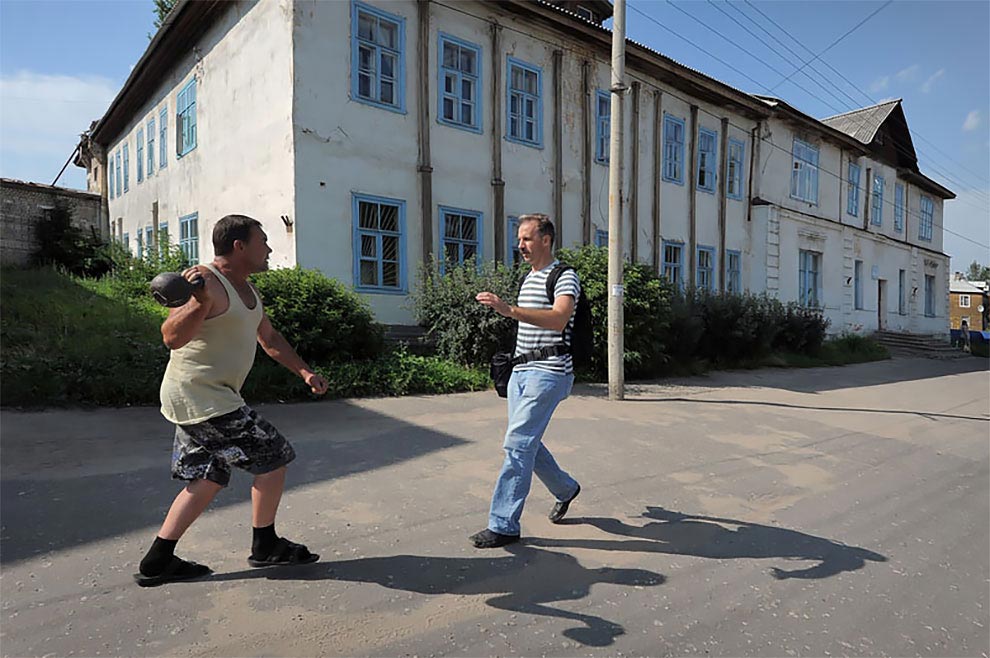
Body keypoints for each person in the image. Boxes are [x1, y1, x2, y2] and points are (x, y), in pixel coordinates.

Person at [135, 214, 329, 586]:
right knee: (273, 457)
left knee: (208, 477)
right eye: (263, 241)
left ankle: (158, 559)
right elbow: (171, 337)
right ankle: (266, 545)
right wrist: (198, 303)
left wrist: (304, 372)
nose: (269, 248)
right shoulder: (205, 280)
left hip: (205, 397)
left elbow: (270, 339)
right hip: (202, 397)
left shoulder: (249, 291)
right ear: (239, 246)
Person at [470, 213, 582, 548]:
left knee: (518, 444)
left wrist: (510, 310)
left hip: (549, 372)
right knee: (525, 442)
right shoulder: (529, 277)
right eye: (519, 239)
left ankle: (503, 524)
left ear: (545, 240)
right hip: (521, 371)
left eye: (527, 239)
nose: (520, 245)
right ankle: (565, 488)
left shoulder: (564, 276)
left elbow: (560, 318)